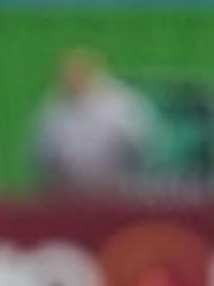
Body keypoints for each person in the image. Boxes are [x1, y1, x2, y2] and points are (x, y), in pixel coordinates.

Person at [33, 47, 154, 196]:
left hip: (119, 195)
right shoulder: (52, 109)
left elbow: (143, 150)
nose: (74, 79)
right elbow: (43, 157)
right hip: (70, 196)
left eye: (79, 72)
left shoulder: (123, 104)